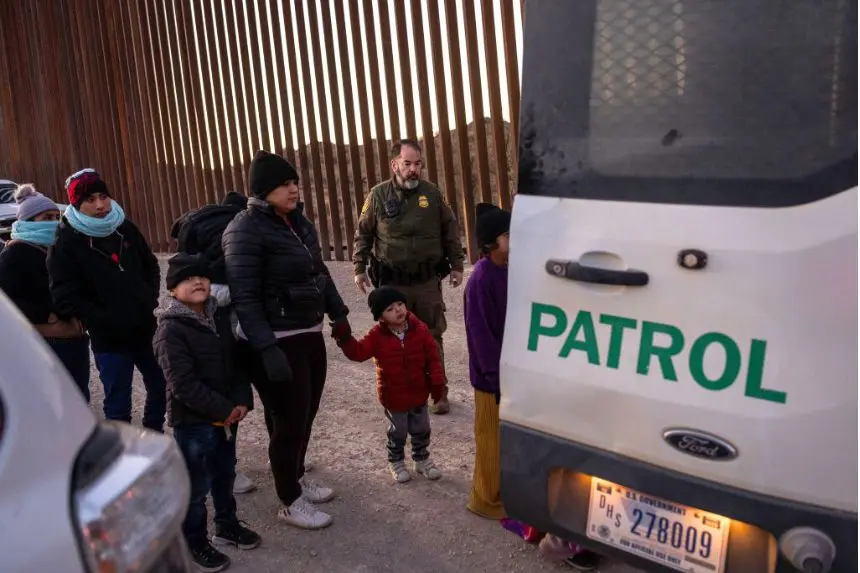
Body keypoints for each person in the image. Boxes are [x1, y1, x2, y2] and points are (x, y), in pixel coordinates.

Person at [223, 150, 351, 530]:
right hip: (277, 341)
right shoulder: (243, 229)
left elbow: (319, 270)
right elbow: (243, 297)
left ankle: (295, 476)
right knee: (289, 420)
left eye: (295, 181)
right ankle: (289, 501)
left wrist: (339, 312)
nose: (294, 189)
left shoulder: (298, 222)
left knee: (305, 414)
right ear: (264, 191)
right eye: (285, 184)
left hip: (308, 333)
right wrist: (266, 348)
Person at [154, 253, 261, 572]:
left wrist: (241, 401)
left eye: (202, 277)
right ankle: (195, 541)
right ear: (173, 290)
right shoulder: (170, 330)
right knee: (196, 486)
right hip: (194, 423)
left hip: (228, 418)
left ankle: (226, 526)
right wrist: (224, 409)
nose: (198, 282)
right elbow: (182, 384)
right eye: (188, 279)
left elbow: (239, 363)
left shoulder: (219, 319)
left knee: (225, 473)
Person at [352, 139, 465, 415]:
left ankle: (439, 394)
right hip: (393, 284)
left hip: (426, 282)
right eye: (407, 164)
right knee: (393, 340)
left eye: (418, 164)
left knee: (432, 336)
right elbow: (363, 234)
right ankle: (399, 395)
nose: (414, 170)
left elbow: (450, 230)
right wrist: (359, 267)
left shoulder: (433, 194)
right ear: (395, 165)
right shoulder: (378, 196)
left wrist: (457, 263)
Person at [48, 168, 166, 431]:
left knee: (162, 386)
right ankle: (123, 458)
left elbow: (150, 266)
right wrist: (101, 317)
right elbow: (64, 296)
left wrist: (148, 298)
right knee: (118, 403)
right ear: (77, 204)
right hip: (109, 338)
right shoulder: (66, 243)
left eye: (103, 196)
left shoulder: (123, 227)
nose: (100, 205)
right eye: (90, 200)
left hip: (144, 327)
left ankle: (153, 436)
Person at [170, 190, 258, 495]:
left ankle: (225, 469)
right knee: (222, 390)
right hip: (224, 306)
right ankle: (220, 472)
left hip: (211, 303)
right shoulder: (237, 224)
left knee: (222, 384)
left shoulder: (194, 223)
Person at [334, 286, 445, 483]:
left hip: (419, 391)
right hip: (393, 395)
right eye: (390, 309)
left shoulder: (419, 329)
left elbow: (433, 358)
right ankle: (396, 461)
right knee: (398, 430)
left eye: (400, 304)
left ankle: (422, 459)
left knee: (421, 428)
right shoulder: (376, 336)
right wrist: (344, 338)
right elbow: (358, 352)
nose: (399, 310)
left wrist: (437, 385)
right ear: (381, 317)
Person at [0, 184, 90, 401]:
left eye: (56, 216)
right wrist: (46, 317)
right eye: (46, 217)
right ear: (27, 222)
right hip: (48, 342)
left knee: (78, 401)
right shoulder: (15, 254)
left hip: (73, 340)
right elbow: (7, 302)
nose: (53, 222)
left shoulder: (59, 250)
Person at [464, 203, 511, 520]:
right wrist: (495, 379)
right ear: (492, 241)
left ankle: (501, 490)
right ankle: (484, 499)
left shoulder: (507, 269)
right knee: (490, 440)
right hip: (490, 379)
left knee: (505, 438)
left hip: (508, 373)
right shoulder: (481, 279)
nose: (514, 239)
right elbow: (481, 336)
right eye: (508, 234)